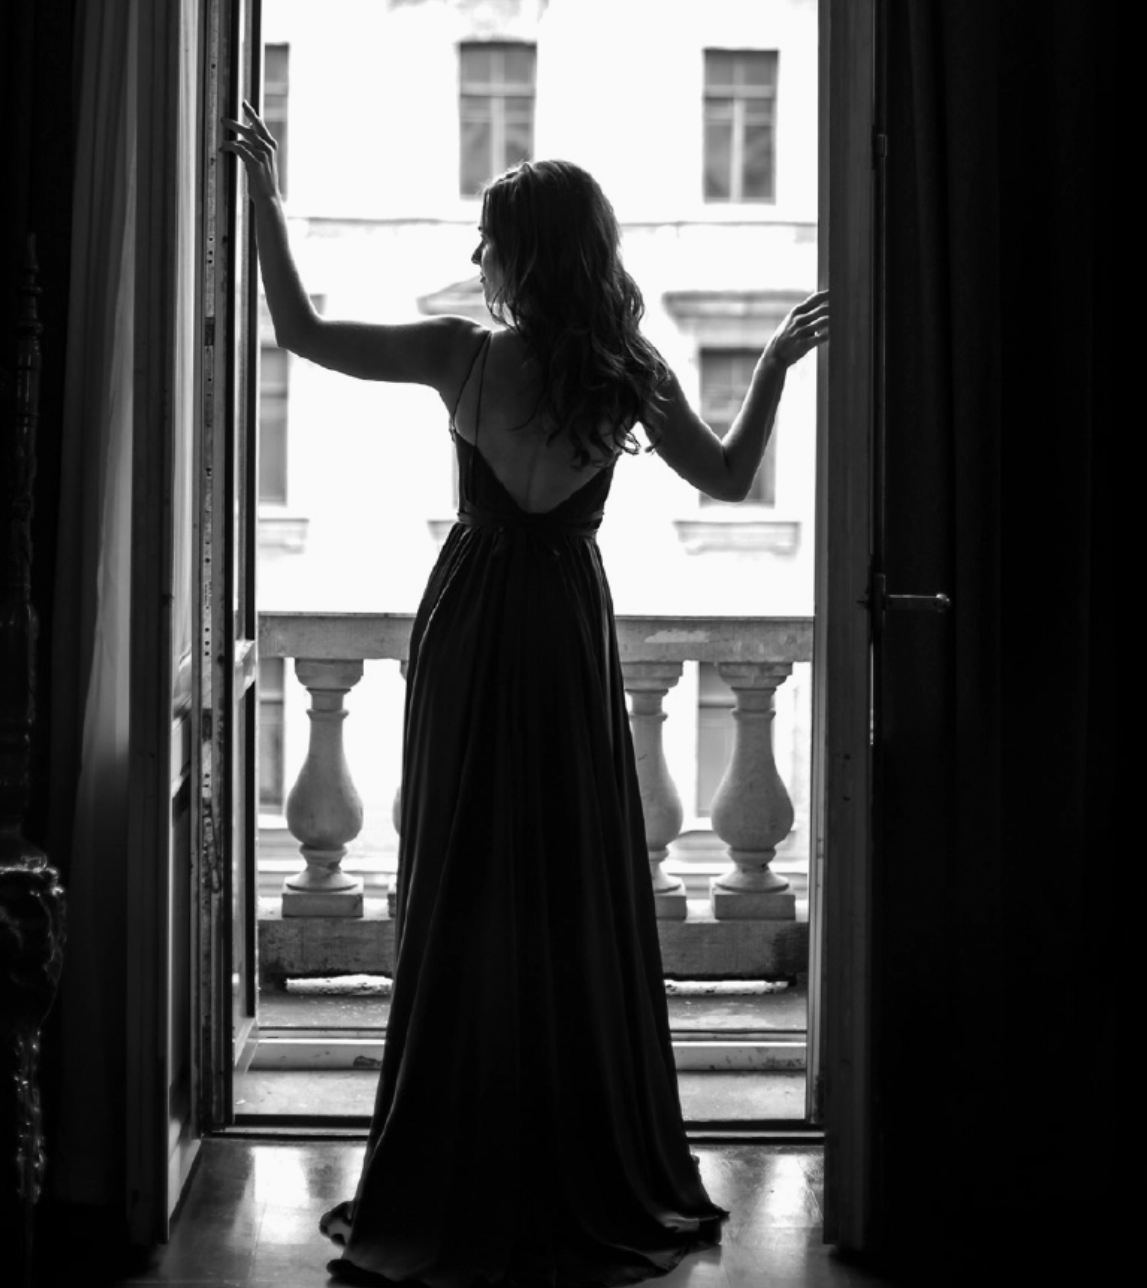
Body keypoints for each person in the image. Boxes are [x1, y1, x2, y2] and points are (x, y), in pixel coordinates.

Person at [224, 101, 828, 1288]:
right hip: (563, 624)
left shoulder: (462, 357)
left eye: (488, 242)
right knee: (569, 871)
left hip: (476, 619)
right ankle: (571, 1142)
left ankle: (458, 1141)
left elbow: (294, 328)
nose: (474, 262)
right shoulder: (629, 368)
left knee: (468, 868)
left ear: (526, 253)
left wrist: (264, 195)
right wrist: (769, 370)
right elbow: (732, 472)